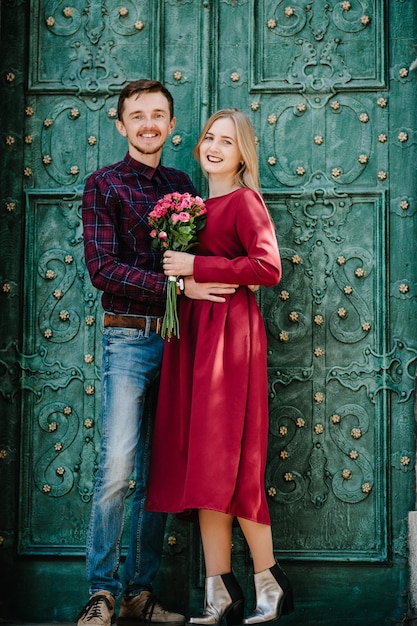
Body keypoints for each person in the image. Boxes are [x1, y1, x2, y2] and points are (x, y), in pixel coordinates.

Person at [77, 81, 238, 626]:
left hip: (178, 343)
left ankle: (139, 595)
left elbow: (202, 255)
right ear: (121, 126)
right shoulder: (104, 185)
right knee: (119, 467)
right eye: (138, 116)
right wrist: (175, 288)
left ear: (171, 126)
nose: (149, 124)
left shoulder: (182, 184)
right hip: (127, 338)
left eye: (159, 116)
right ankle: (101, 592)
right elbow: (103, 271)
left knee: (161, 470)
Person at [146, 109, 294, 625]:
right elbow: (174, 272)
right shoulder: (190, 208)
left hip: (230, 340)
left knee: (230, 462)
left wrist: (197, 266)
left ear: (241, 154)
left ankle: (269, 582)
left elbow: (267, 267)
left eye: (226, 141)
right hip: (191, 340)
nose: (214, 146)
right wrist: (182, 282)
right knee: (201, 464)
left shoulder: (244, 201)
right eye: (209, 137)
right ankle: (217, 594)